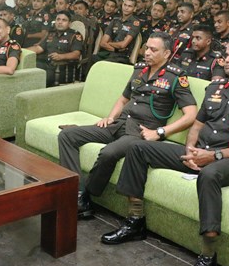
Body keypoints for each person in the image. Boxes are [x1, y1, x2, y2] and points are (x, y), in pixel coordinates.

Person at [101, 38, 229, 266]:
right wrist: (190, 150)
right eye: (226, 54)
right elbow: (197, 124)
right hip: (200, 153)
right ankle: (135, 221)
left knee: (209, 175)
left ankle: (207, 261)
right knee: (138, 147)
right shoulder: (215, 88)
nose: (226, 59)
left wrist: (213, 156)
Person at [58, 32, 198, 219]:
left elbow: (191, 115)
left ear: (166, 54)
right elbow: (124, 99)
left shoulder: (175, 77)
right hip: (118, 124)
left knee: (108, 153)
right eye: (146, 48)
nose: (147, 52)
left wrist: (160, 132)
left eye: (153, 50)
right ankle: (77, 193)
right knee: (68, 135)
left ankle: (86, 197)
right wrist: (110, 117)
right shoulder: (139, 69)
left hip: (139, 132)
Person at [26, 11, 83, 87]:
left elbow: (76, 54)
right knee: (29, 68)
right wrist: (22, 51)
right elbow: (38, 48)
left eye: (64, 20)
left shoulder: (74, 35)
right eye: (58, 19)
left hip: (63, 69)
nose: (60, 22)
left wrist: (61, 56)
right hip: (47, 65)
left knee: (40, 77)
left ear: (69, 23)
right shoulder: (51, 33)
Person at [92, 0, 141, 65]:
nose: (126, 8)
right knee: (93, 58)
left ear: (134, 9)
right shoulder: (115, 20)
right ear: (122, 5)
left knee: (105, 64)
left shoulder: (135, 23)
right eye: (125, 5)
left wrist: (109, 43)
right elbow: (102, 43)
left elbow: (123, 45)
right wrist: (115, 49)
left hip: (123, 56)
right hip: (110, 52)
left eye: (129, 6)